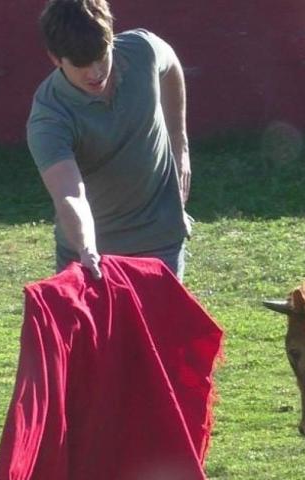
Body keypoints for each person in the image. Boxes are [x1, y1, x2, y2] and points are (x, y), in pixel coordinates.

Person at [27, 0, 192, 281]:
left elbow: (170, 65)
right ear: (55, 58)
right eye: (80, 64)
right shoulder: (49, 116)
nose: (95, 73)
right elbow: (69, 193)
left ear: (111, 37)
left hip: (160, 240)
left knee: (157, 327)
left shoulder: (143, 51)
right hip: (91, 257)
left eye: (100, 55)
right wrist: (87, 247)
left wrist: (180, 142)